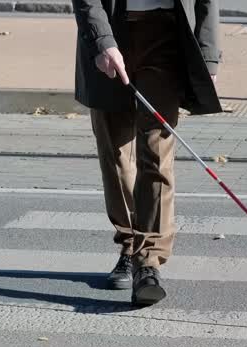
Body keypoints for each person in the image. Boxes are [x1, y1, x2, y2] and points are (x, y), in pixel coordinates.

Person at [72, 0, 222, 307]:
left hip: (166, 36)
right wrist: (101, 40)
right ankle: (130, 244)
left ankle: (148, 261)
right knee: (115, 155)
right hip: (111, 28)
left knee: (156, 154)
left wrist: (208, 55)